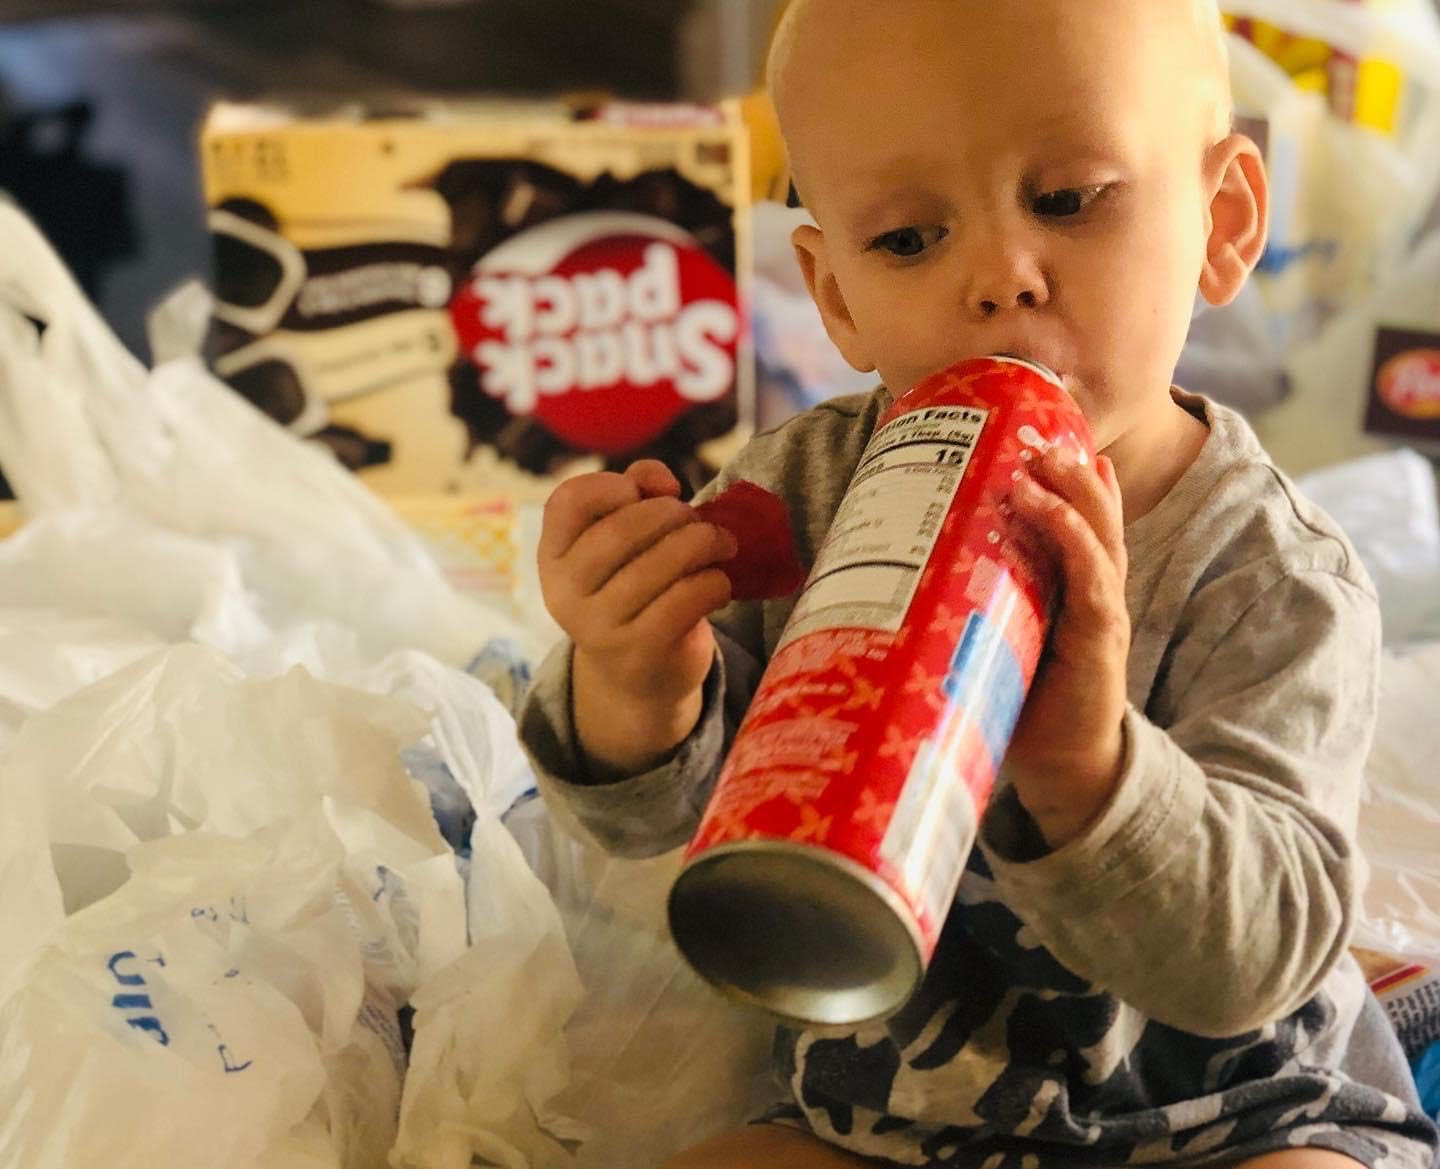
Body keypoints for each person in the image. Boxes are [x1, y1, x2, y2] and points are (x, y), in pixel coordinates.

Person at [517, 1, 1440, 1165]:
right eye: (908, 239)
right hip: (896, 1118)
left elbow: (1256, 959)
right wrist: (633, 679)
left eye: (1069, 199)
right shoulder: (804, 495)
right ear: (837, 294)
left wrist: (1089, 767)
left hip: (1238, 1114)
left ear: (1224, 218)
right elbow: (658, 829)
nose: (1002, 276)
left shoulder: (1270, 572)